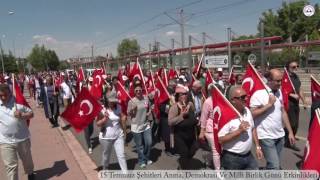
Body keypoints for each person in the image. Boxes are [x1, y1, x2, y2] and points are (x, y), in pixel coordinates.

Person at [250, 69, 296, 169]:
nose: (280, 83)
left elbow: (283, 112)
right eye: (277, 81)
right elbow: (252, 114)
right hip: (266, 136)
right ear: (269, 80)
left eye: (281, 80)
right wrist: (269, 105)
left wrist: (290, 132)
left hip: (280, 136)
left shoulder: (279, 92)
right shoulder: (259, 94)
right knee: (274, 166)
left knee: (275, 165)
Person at [218, 86, 263, 170]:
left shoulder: (247, 110)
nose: (246, 99)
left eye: (246, 96)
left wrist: (257, 147)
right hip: (232, 158)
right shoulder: (225, 116)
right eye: (242, 97)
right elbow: (220, 140)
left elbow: (253, 129)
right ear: (233, 100)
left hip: (248, 155)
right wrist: (239, 131)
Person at [0, 84, 35, 180]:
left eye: (5, 95)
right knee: (11, 166)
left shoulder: (18, 103)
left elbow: (31, 114)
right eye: (1, 95)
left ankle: (30, 173)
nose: (3, 97)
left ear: (10, 93)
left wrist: (22, 115)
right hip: (5, 141)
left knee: (27, 160)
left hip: (22, 139)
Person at [168, 85, 198, 169]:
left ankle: (184, 160)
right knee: (184, 153)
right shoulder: (174, 107)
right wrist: (181, 116)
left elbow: (193, 115)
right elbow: (170, 122)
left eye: (185, 94)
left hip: (191, 134)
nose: (184, 96)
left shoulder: (190, 104)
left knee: (194, 149)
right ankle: (184, 169)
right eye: (181, 94)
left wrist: (197, 121)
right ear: (178, 96)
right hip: (180, 136)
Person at [96, 93, 127, 172]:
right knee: (106, 156)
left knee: (122, 155)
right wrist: (105, 119)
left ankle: (125, 173)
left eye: (114, 101)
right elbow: (98, 124)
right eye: (111, 101)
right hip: (106, 137)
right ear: (107, 100)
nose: (113, 103)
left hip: (118, 136)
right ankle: (105, 169)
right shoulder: (102, 109)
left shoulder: (118, 107)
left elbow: (122, 118)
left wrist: (123, 119)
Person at [127, 85, 153, 168]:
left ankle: (146, 157)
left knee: (149, 143)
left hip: (145, 124)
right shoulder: (132, 101)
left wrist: (149, 112)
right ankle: (142, 160)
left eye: (139, 90)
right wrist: (132, 109)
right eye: (136, 90)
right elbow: (128, 113)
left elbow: (149, 107)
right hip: (136, 126)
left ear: (142, 90)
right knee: (140, 145)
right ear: (134, 92)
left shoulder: (146, 98)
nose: (138, 91)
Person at [284, 60, 307, 151]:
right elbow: (283, 90)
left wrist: (304, 101)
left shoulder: (296, 77)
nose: (296, 68)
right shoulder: (285, 78)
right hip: (289, 103)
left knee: (295, 123)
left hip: (296, 104)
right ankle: (290, 142)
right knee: (293, 124)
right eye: (293, 67)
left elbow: (299, 89)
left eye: (296, 66)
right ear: (288, 68)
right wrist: (292, 95)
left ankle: (286, 137)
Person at [199, 84, 221, 169]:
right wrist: (202, 132)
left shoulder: (222, 100)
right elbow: (203, 117)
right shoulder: (208, 102)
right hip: (211, 128)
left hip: (220, 128)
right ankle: (218, 172)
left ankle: (208, 159)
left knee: (218, 149)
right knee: (216, 151)